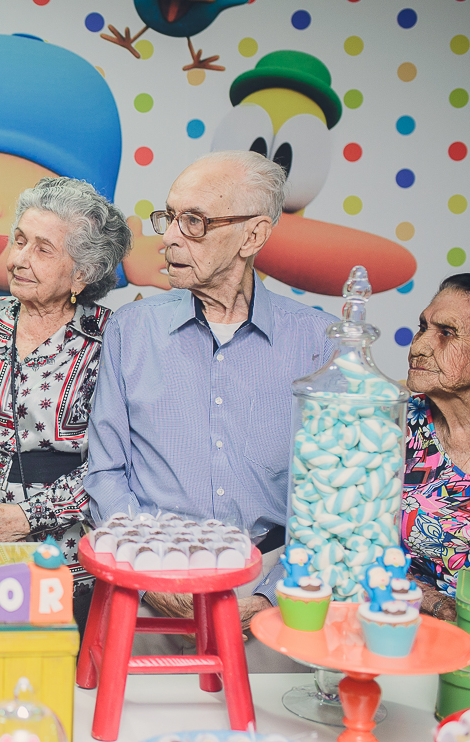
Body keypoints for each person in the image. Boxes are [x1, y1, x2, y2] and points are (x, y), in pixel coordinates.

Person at [83, 150, 335, 670]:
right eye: (168, 217)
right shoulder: (131, 332)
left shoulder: (318, 342)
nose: (170, 236)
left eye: (193, 222)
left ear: (253, 236)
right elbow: (106, 471)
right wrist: (149, 573)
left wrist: (269, 593)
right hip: (146, 588)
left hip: (272, 590)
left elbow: (329, 495)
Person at [0, 177, 131, 631]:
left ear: (82, 274)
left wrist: (27, 517)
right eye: (19, 240)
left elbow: (118, 459)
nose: (18, 259)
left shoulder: (110, 338)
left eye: (42, 249)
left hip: (64, 550)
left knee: (50, 674)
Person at [400, 272, 470, 622]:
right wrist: (431, 601)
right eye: (423, 327)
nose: (419, 346)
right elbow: (353, 542)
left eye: (446, 333)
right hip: (405, 627)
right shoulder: (394, 427)